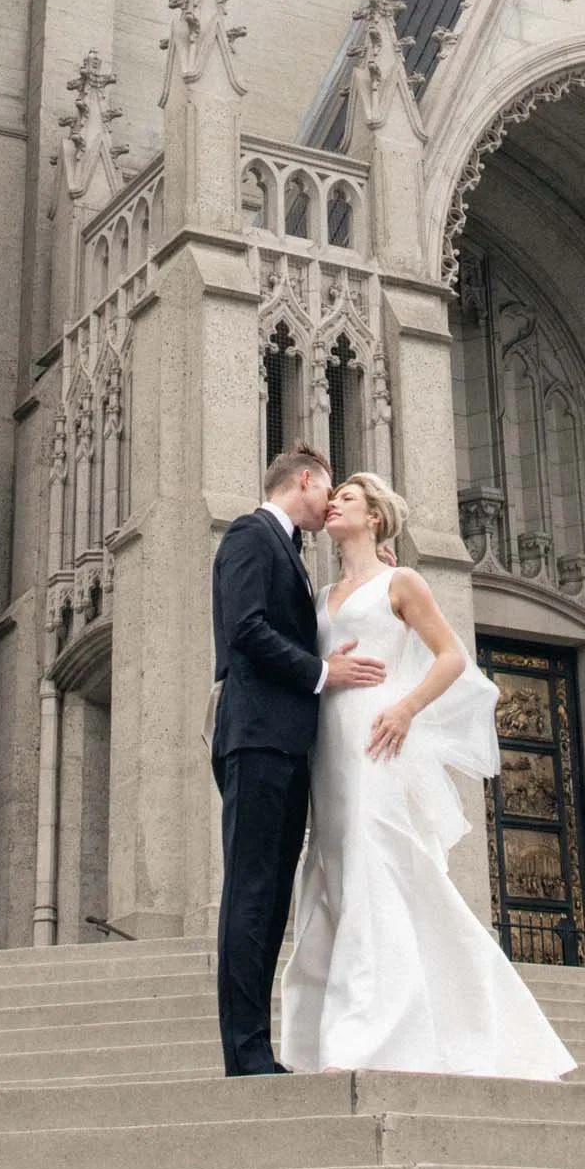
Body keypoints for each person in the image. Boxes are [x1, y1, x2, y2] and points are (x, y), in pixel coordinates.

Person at [281, 470, 575, 1078]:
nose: (334, 504)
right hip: (327, 749)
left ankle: (361, 1040)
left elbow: (452, 657)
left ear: (376, 519)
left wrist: (407, 707)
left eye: (348, 499)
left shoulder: (403, 581)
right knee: (333, 870)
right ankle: (321, 1036)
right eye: (333, 498)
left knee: (372, 867)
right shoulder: (321, 594)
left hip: (379, 739)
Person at [209, 443, 386, 1076]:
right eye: (329, 490)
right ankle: (245, 1053)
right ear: (304, 481)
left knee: (270, 895)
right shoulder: (250, 536)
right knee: (252, 893)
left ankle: (256, 1048)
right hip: (256, 738)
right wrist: (322, 672)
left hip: (285, 746)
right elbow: (246, 632)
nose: (332, 502)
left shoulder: (289, 552)